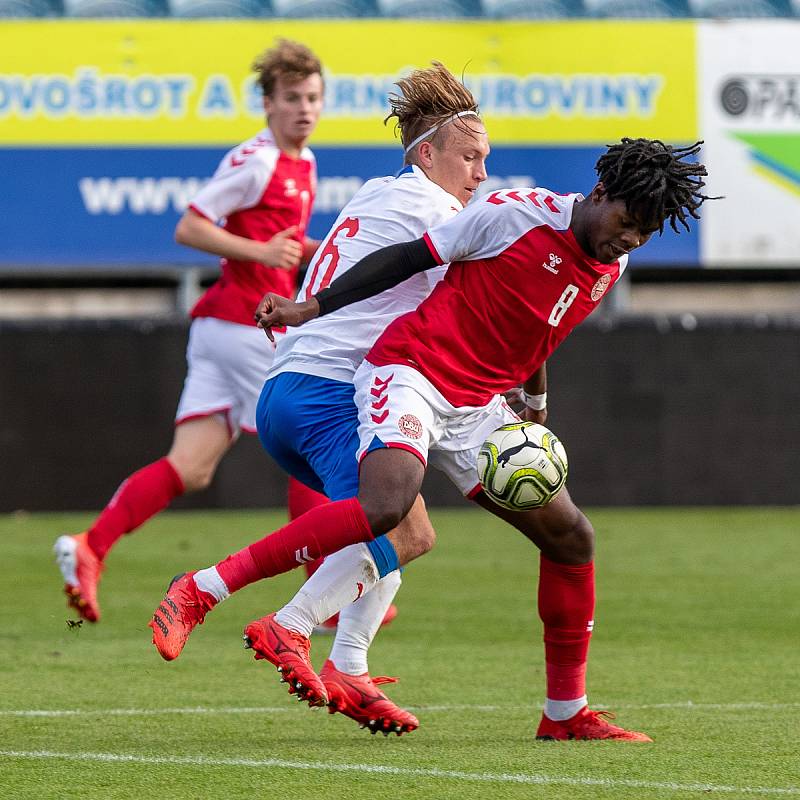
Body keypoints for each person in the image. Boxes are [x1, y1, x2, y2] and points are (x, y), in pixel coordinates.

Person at [150, 137, 715, 741]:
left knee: (571, 536)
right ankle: (208, 589)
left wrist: (535, 403)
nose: (630, 239)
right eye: (627, 222)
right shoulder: (516, 214)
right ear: (599, 193)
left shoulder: (611, 260)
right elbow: (406, 258)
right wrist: (310, 307)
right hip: (412, 371)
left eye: (645, 233)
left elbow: (540, 329)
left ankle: (564, 714)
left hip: (478, 406)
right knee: (388, 508)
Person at [151, 62, 490, 736]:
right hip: (325, 392)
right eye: (470, 157)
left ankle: (350, 665)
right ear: (428, 153)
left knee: (392, 526)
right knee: (404, 525)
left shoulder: (376, 192)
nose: (481, 174)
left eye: (486, 159)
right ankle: (220, 595)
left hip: (290, 387)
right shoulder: (435, 210)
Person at [53, 39, 327, 624]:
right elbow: (190, 226)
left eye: (312, 98)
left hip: (225, 328)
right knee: (310, 445)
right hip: (245, 325)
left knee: (191, 466)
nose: (303, 109)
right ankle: (323, 598)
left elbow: (282, 244)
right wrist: (259, 248)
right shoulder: (254, 161)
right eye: (291, 98)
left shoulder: (303, 163)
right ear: (267, 104)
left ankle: (89, 547)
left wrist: (323, 252)